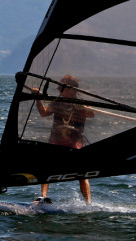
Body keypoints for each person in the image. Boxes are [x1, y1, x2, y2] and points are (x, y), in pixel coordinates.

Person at [31, 74, 95, 205]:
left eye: (60, 86)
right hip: (56, 140)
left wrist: (82, 107)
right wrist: (38, 98)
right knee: (47, 168)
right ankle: (43, 197)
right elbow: (44, 113)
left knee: (82, 174)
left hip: (74, 141)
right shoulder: (57, 103)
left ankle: (88, 204)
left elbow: (92, 114)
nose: (57, 88)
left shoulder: (80, 102)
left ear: (70, 88)